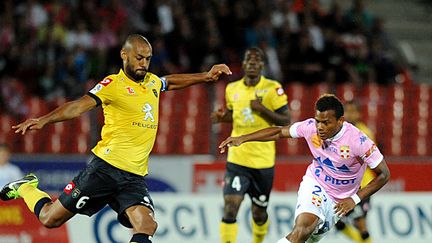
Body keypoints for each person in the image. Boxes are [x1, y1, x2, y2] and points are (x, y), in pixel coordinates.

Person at [0, 34, 232, 243]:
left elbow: (168, 82)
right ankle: (27, 188)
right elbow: (79, 106)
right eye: (139, 58)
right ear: (124, 55)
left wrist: (206, 76)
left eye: (148, 59)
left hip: (133, 177)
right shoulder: (113, 85)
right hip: (104, 170)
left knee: (147, 225)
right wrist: (44, 120)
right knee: (50, 218)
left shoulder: (151, 82)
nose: (144, 64)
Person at [219, 94, 390, 243]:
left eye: (326, 123)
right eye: (318, 121)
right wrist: (243, 138)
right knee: (302, 230)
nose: (320, 127)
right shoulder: (310, 127)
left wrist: (354, 199)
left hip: (341, 199)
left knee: (306, 238)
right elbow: (279, 132)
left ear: (340, 121)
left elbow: (384, 174)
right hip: (315, 184)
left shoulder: (359, 141)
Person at [211, 47, 290, 243]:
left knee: (259, 214)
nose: (252, 63)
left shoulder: (273, 88)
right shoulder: (232, 89)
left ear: (262, 65)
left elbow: (286, 120)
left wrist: (262, 109)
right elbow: (235, 115)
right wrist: (223, 118)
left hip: (263, 162)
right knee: (230, 207)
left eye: (256, 61)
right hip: (237, 159)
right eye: (249, 60)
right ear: (244, 64)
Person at [334, 100, 377, 243]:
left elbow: (366, 158)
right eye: (348, 111)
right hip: (344, 186)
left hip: (363, 185)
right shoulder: (338, 132)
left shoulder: (365, 132)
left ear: (359, 114)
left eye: (353, 111)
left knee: (361, 225)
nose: (350, 114)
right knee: (338, 224)